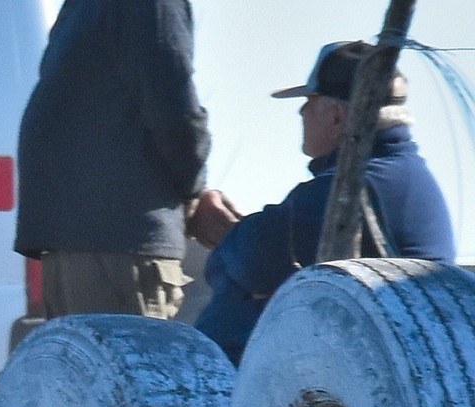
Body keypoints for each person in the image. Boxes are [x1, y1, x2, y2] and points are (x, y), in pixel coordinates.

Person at [192, 41, 456, 362]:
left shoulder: (348, 189)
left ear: (336, 117)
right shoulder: (399, 174)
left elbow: (248, 262)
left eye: (310, 101)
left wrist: (229, 238)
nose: (301, 112)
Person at [15, 0, 210, 320]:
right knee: (133, 352)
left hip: (72, 245)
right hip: (122, 250)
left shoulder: (82, 9)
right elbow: (175, 109)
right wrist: (194, 188)